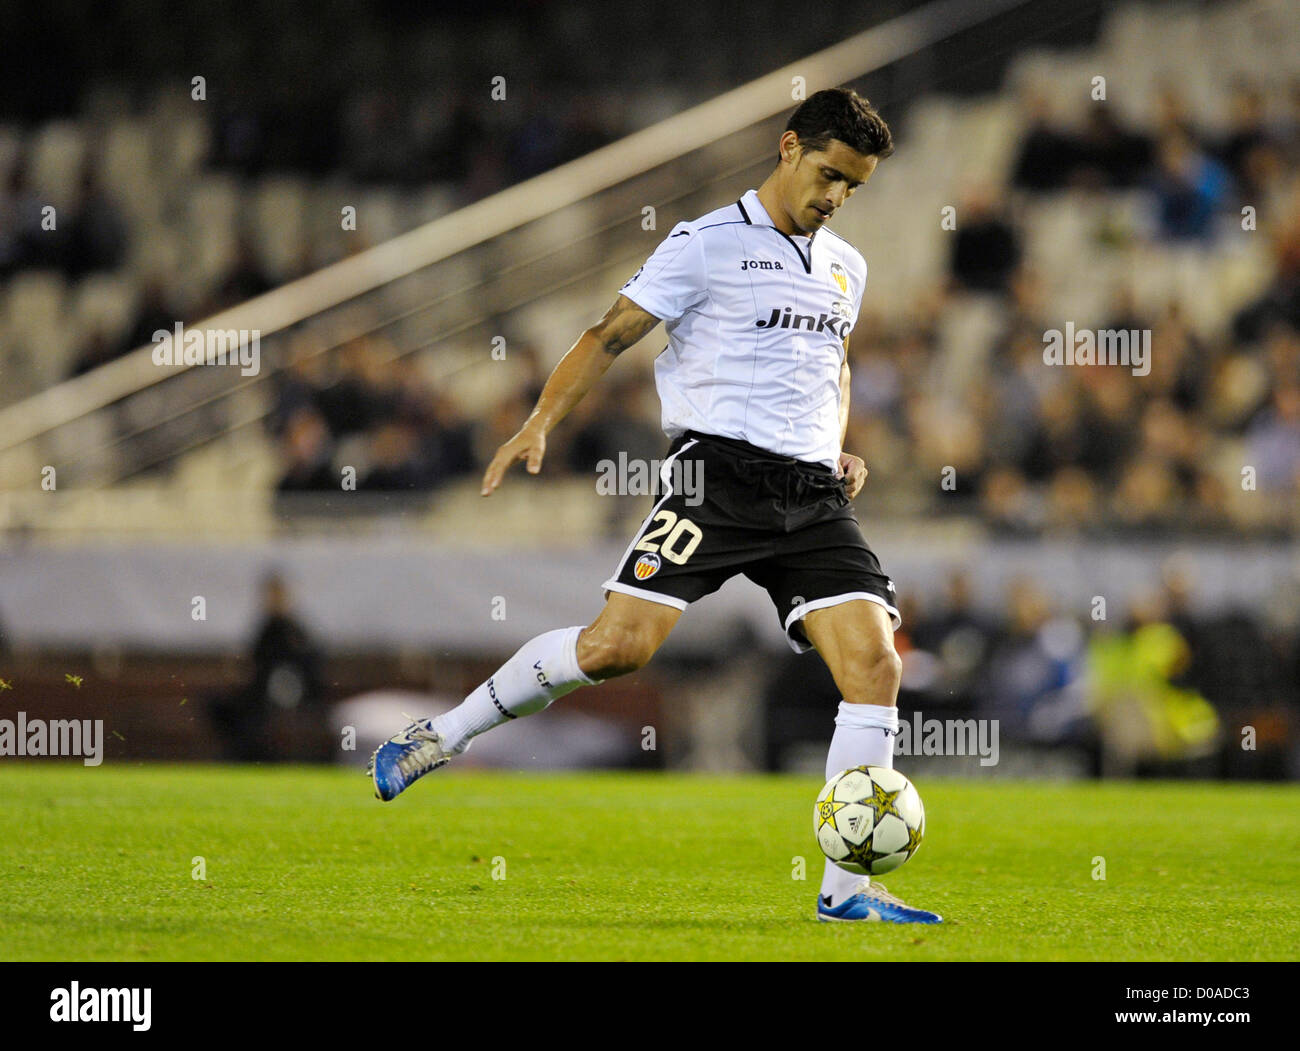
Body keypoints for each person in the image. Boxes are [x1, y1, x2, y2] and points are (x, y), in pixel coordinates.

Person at [369, 89, 940, 924]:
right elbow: (609, 333)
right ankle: (440, 735)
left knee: (876, 666)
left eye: (852, 187)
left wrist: (834, 444)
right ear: (788, 148)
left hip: (812, 495)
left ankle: (845, 891)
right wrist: (537, 423)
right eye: (828, 175)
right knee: (614, 650)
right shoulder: (703, 245)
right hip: (715, 480)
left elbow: (833, 364)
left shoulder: (847, 266)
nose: (835, 197)